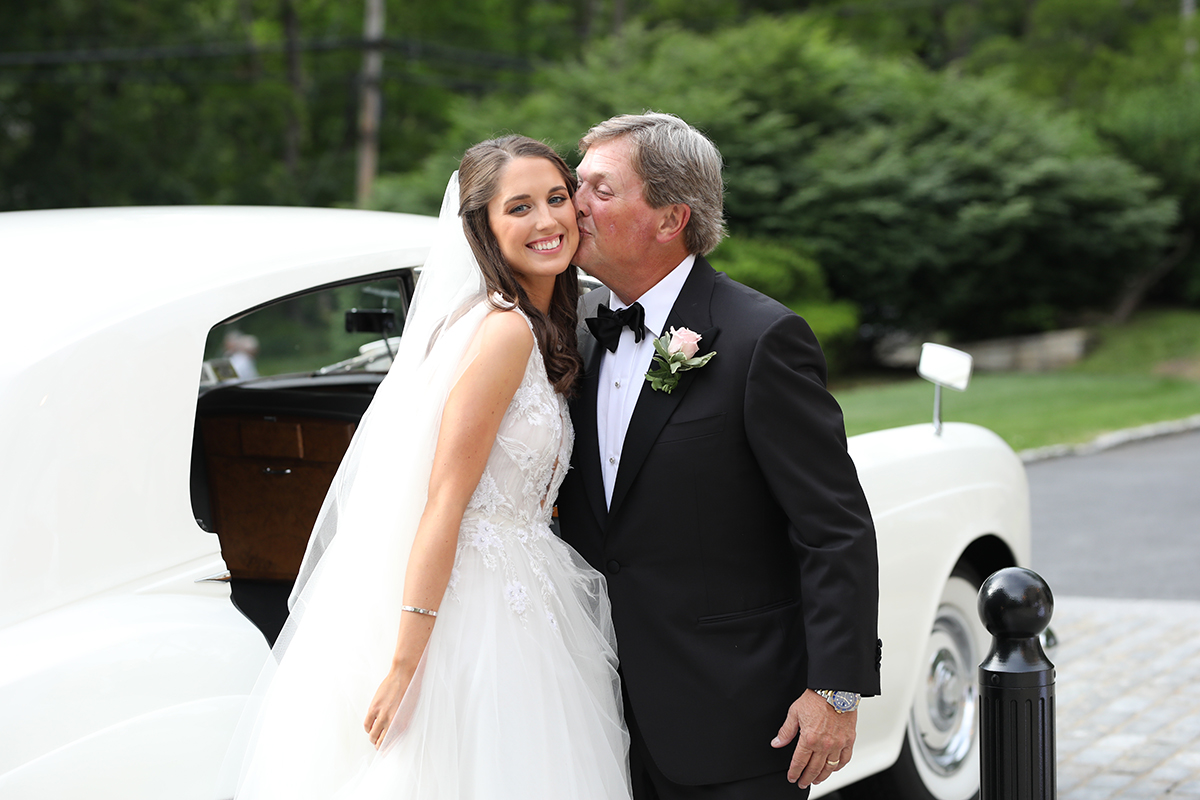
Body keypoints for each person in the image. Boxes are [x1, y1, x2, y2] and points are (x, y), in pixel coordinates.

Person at [222, 136, 632, 800]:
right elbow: (444, 499)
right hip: (480, 610)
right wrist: (407, 664)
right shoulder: (503, 332)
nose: (547, 221)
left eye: (557, 199)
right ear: (483, 227)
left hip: (525, 591)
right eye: (519, 207)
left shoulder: (519, 323)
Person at [555, 112, 882, 800]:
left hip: (737, 717)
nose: (572, 203)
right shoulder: (575, 333)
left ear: (671, 218)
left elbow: (833, 529)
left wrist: (837, 691)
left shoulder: (764, 340)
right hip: (593, 714)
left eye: (600, 190)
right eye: (574, 183)